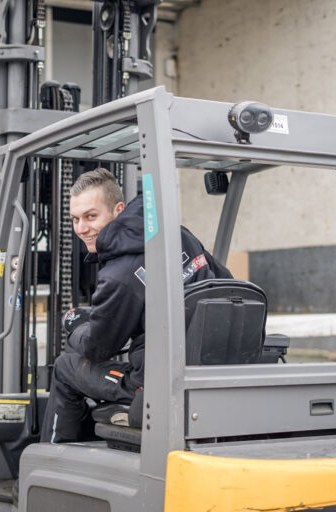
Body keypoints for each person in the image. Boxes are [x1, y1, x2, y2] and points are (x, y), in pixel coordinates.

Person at [40, 167, 232, 443]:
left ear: (118, 210)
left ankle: (52, 464)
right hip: (208, 368)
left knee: (66, 367)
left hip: (153, 385)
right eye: (75, 219)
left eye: (91, 216)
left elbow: (98, 348)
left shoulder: (118, 275)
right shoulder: (179, 235)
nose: (81, 228)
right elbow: (223, 281)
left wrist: (78, 325)